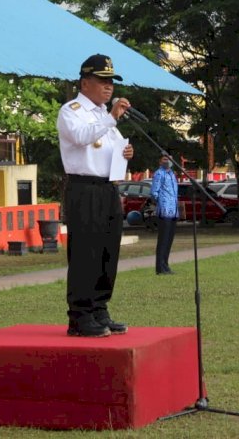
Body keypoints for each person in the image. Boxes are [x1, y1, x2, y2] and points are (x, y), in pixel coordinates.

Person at [56, 54, 134, 338]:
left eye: (111, 81)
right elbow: (81, 137)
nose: (109, 87)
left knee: (107, 251)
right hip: (84, 188)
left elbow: (107, 150)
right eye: (102, 80)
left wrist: (125, 154)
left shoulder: (104, 115)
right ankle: (79, 315)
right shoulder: (71, 110)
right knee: (85, 251)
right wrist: (112, 118)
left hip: (107, 188)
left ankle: (100, 309)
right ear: (85, 82)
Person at [150, 153, 179, 275]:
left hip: (173, 210)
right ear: (160, 161)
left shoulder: (172, 174)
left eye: (169, 158)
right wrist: (162, 202)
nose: (167, 160)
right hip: (164, 210)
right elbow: (154, 192)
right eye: (164, 158)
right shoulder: (159, 174)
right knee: (163, 239)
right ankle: (160, 268)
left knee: (169, 239)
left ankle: (166, 265)